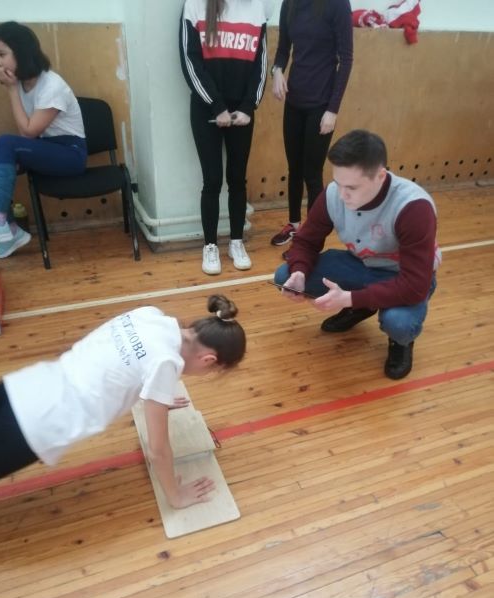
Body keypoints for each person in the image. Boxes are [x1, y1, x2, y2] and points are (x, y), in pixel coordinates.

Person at [0, 294, 246, 509]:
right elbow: (158, 450)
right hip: (36, 423)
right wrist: (176, 497)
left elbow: (124, 363)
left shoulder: (150, 314)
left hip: (22, 385)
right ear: (208, 360)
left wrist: (158, 400)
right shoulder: (166, 362)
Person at [273, 130, 441, 380]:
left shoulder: (413, 207)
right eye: (338, 183)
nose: (342, 195)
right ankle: (362, 306)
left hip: (402, 277)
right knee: (284, 275)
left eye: (351, 187)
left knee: (400, 324)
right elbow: (306, 242)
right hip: (361, 264)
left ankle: (400, 342)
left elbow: (415, 286)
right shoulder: (334, 193)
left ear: (380, 176)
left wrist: (349, 298)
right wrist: (299, 271)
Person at [180, 0, 267, 275]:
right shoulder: (195, 5)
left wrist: (248, 106)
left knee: (237, 179)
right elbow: (190, 61)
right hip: (207, 110)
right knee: (212, 180)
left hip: (241, 111)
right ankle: (210, 246)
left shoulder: (257, 8)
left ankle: (236, 242)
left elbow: (260, 64)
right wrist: (216, 106)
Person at [0, 21, 86, 259]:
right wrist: (14, 88)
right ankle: (11, 232)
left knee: (4, 143)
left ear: (21, 52)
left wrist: (11, 90)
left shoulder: (52, 85)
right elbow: (27, 135)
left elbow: (28, 133)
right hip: (46, 148)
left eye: (1, 54)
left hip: (70, 153)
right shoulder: (23, 83)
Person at [270, 0, 353, 247]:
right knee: (294, 169)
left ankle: (312, 239)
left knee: (312, 174)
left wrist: (332, 110)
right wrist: (277, 70)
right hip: (294, 101)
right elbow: (283, 48)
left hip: (321, 105)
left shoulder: (337, 4)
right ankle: (294, 225)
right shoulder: (290, 4)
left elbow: (346, 59)